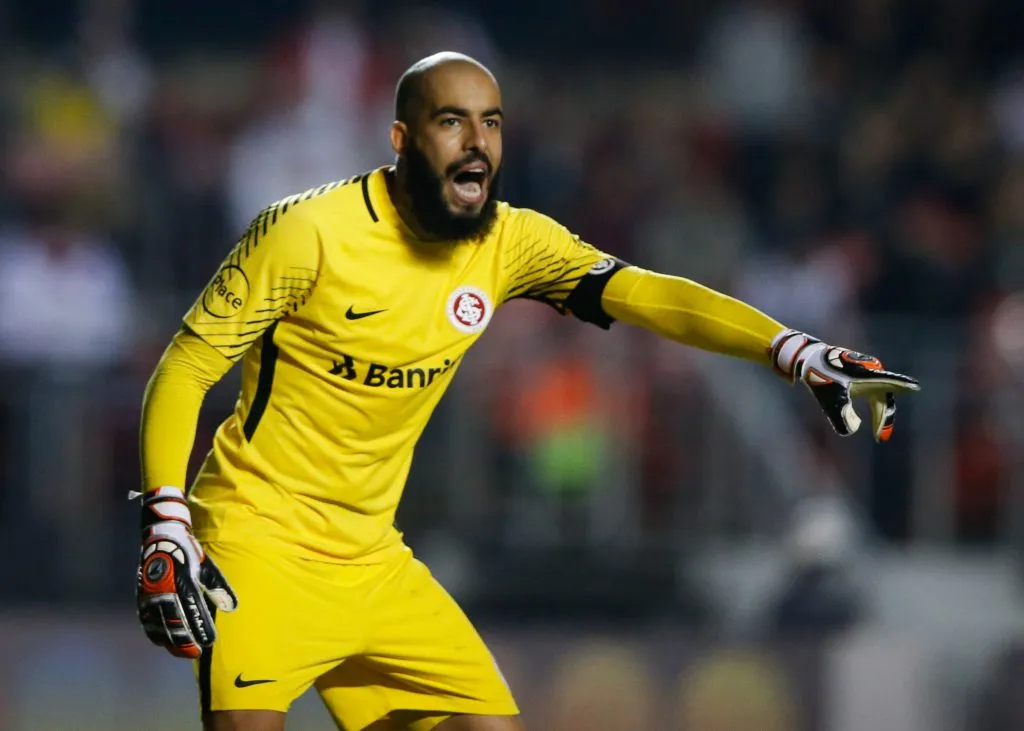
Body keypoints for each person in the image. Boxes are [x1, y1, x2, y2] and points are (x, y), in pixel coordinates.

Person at [134, 52, 919, 731]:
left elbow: (648, 294)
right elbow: (186, 366)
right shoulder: (305, 232)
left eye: (492, 122)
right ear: (403, 139)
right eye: (452, 122)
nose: (478, 143)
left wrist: (790, 348)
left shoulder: (511, 242)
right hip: (256, 544)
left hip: (371, 555)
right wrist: (169, 515)